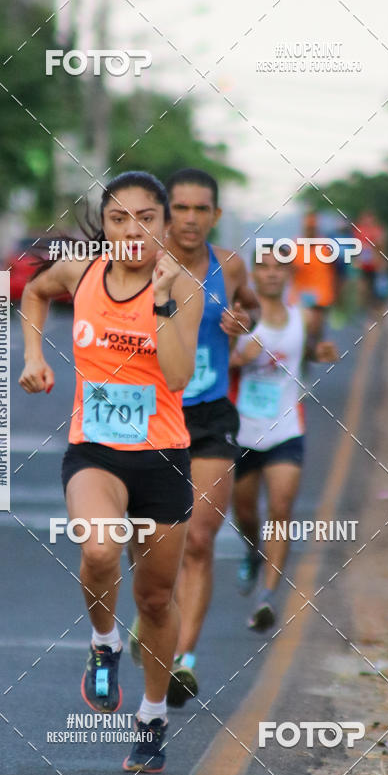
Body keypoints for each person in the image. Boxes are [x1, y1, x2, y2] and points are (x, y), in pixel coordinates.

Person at [19, 171, 203, 773]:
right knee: (98, 553)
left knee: (154, 598)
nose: (132, 231)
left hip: (162, 456)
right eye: (120, 219)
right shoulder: (81, 272)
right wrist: (34, 356)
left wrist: (163, 302)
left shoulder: (185, 287)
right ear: (105, 225)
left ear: (164, 224)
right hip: (94, 449)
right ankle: (103, 644)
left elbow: (175, 377)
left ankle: (152, 715)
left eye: (146, 218)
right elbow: (34, 293)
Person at [134, 167, 259, 708]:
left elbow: (247, 306)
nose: (189, 219)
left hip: (208, 416)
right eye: (179, 208)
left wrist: (242, 321)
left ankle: (183, 658)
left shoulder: (227, 265)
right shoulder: (142, 261)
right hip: (152, 413)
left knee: (202, 539)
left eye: (200, 209)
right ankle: (153, 613)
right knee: (152, 542)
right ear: (166, 213)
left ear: (215, 215)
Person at [230, 245, 338, 629]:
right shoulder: (239, 319)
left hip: (287, 427)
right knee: (245, 511)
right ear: (253, 276)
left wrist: (319, 350)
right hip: (242, 430)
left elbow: (306, 349)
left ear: (290, 275)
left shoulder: (304, 318)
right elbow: (215, 364)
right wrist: (238, 358)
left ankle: (267, 596)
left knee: (281, 506)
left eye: (279, 267)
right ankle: (252, 552)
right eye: (264, 267)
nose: (272, 273)